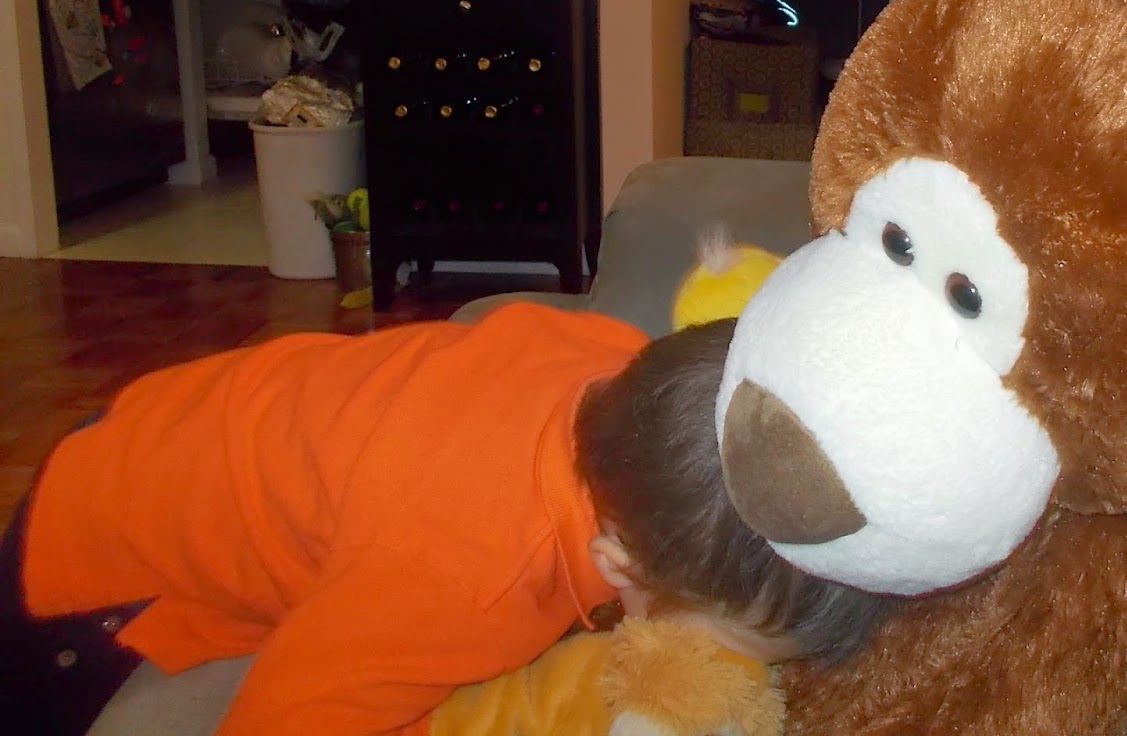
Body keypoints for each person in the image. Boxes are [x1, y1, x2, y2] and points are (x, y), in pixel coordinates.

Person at [0, 307, 891, 736]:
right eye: (728, 647)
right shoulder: (465, 583)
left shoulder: (632, 373)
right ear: (621, 568)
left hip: (182, 418)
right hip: (93, 561)